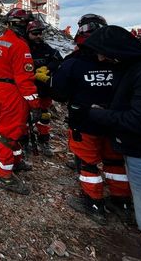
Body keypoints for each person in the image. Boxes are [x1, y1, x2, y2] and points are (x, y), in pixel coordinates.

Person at [77, 25, 141, 257]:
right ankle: (120, 202)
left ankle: (96, 203)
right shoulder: (135, 68)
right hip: (133, 149)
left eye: (103, 52)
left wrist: (100, 114)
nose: (100, 58)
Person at [51, 14, 131, 225]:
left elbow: (58, 91)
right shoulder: (122, 62)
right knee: (115, 161)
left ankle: (94, 203)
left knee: (88, 164)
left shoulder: (73, 63)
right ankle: (121, 201)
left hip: (84, 122)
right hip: (115, 121)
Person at [0, 8, 39, 195]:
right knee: (9, 133)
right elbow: (25, 79)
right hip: (12, 92)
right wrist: (35, 104)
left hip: (0, 89)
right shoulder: (19, 46)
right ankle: (4, 175)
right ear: (22, 25)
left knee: (16, 129)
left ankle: (15, 162)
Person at [25, 20, 63, 156]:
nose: (38, 36)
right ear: (28, 33)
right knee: (24, 117)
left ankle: (44, 141)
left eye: (40, 33)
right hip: (27, 90)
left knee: (44, 117)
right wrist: (33, 73)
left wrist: (47, 68)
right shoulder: (23, 47)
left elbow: (58, 58)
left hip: (44, 91)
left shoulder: (46, 48)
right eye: (35, 33)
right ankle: (24, 142)